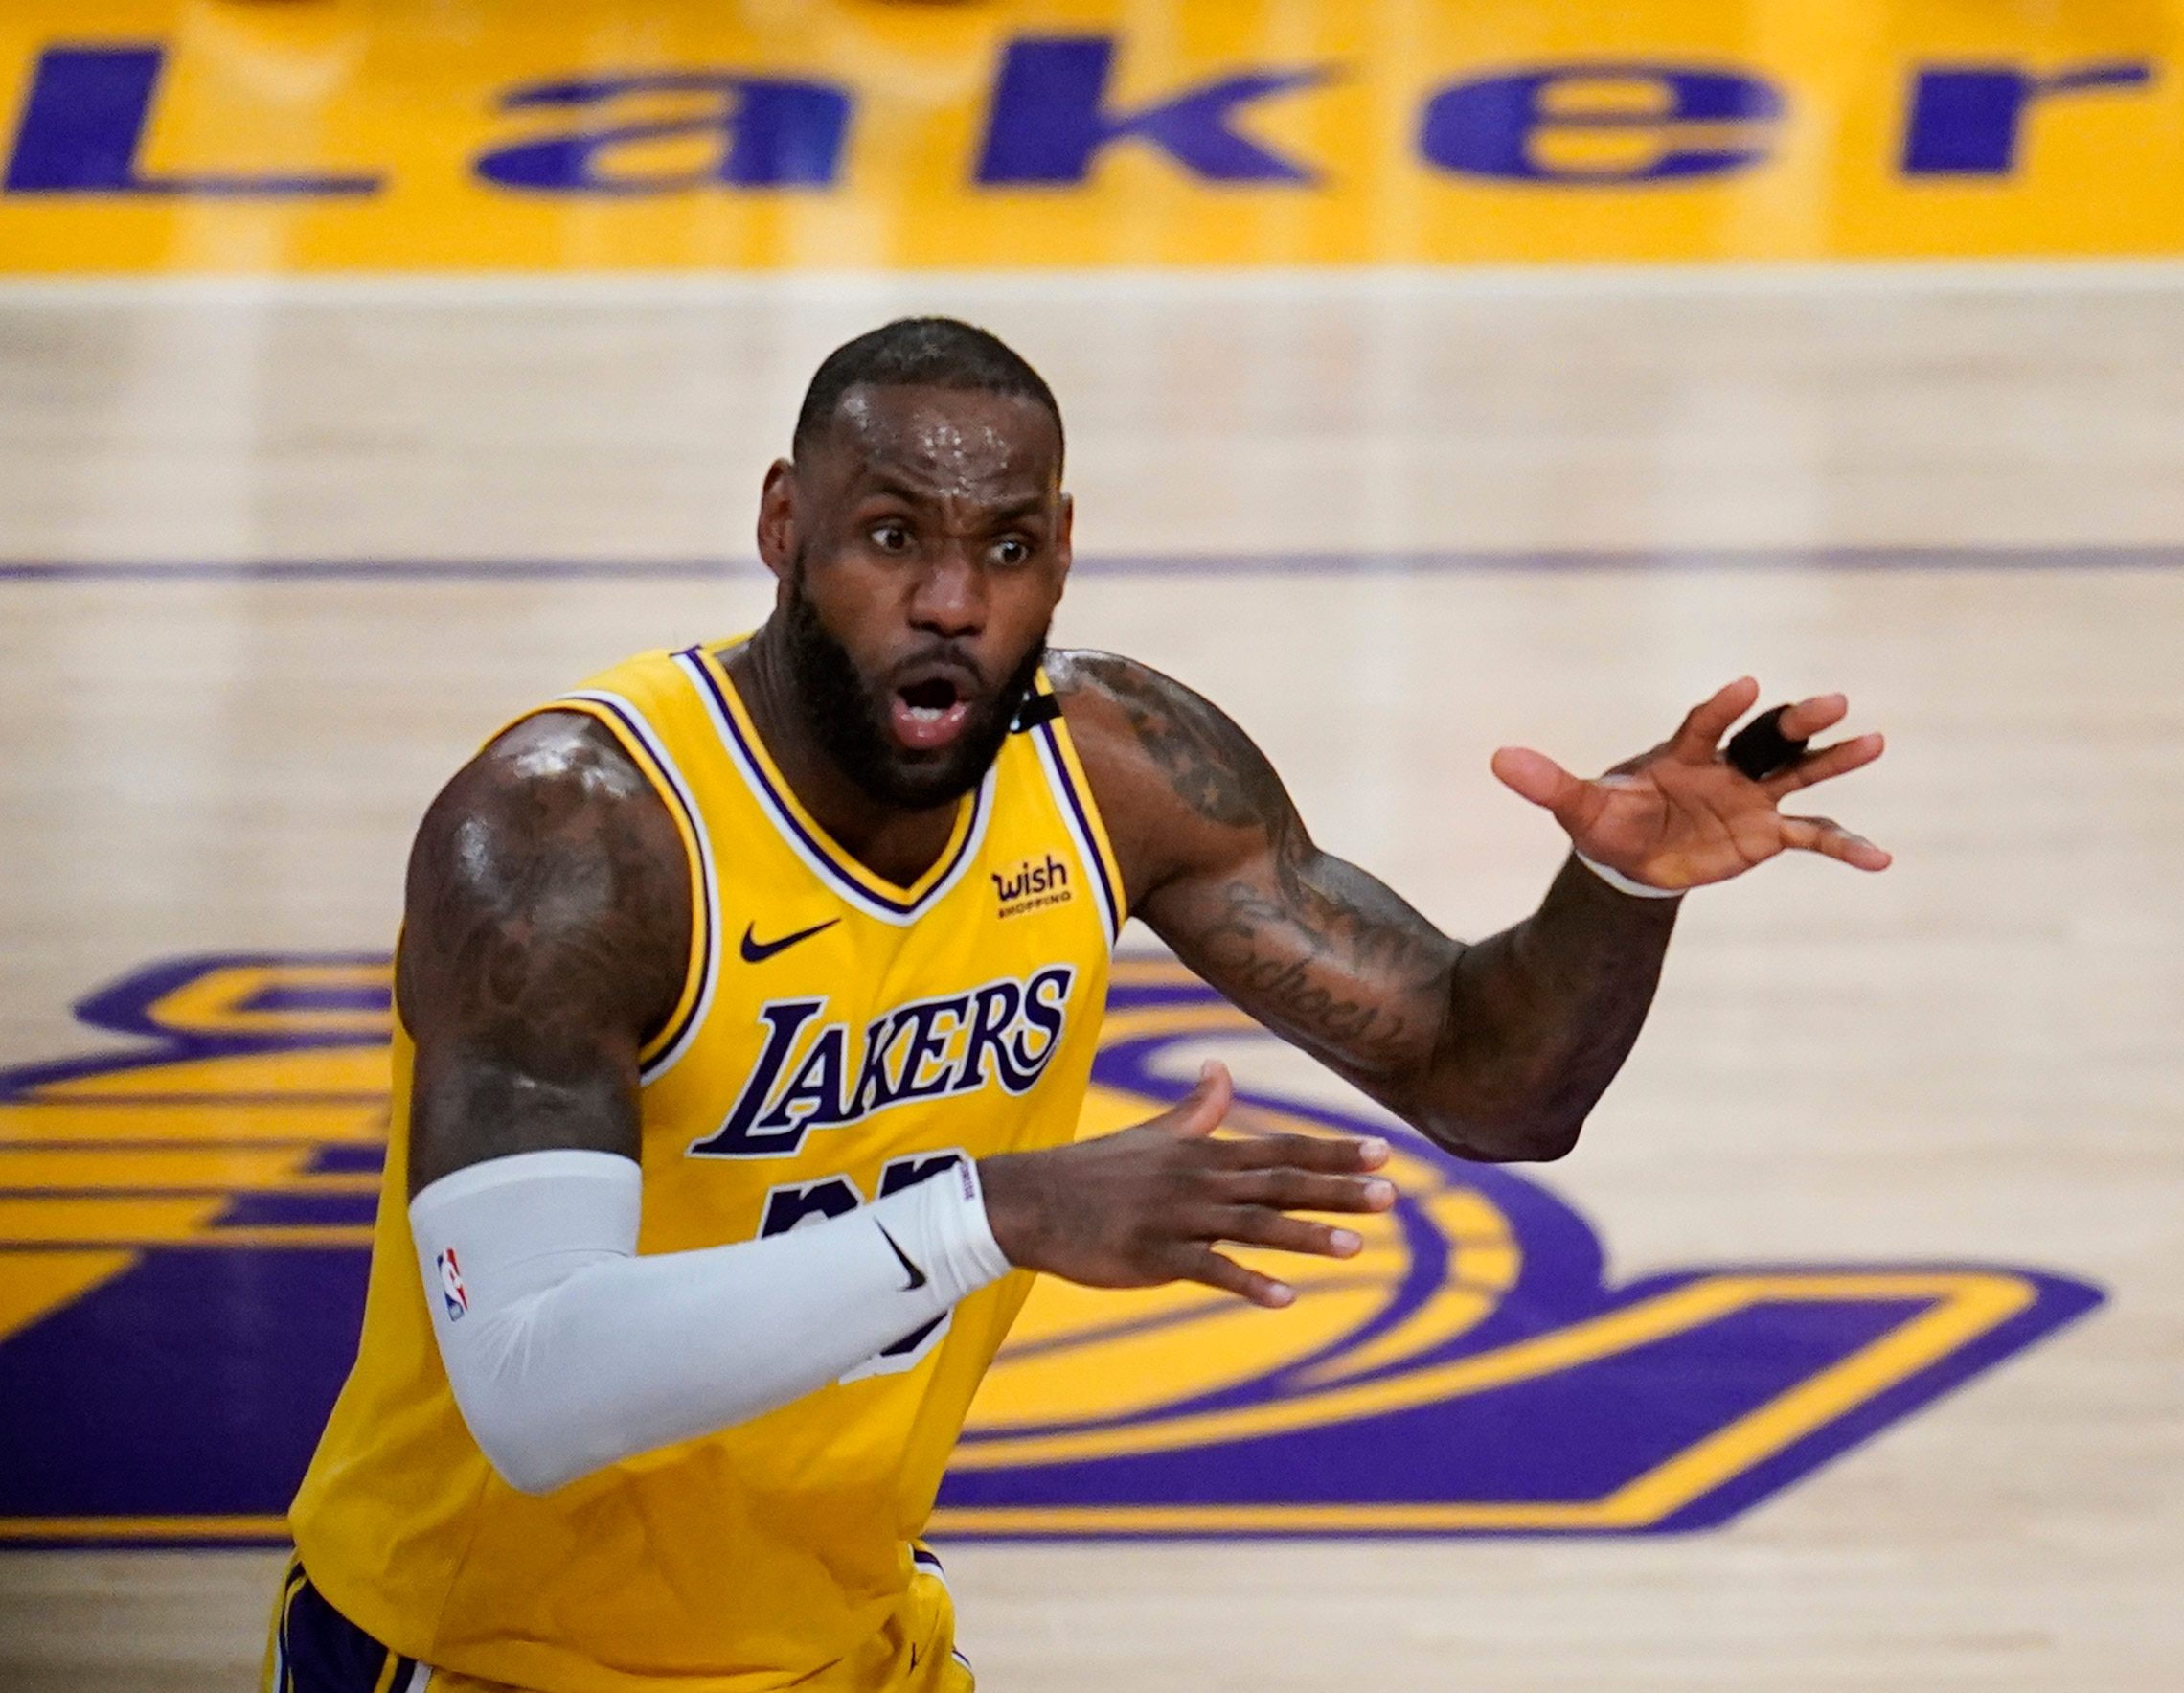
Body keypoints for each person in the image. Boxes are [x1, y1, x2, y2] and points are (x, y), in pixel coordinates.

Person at [273, 317, 1889, 1693]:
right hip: (482, 1648)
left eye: (1006, 547)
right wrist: (992, 1215)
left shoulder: (1115, 769)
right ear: (785, 525)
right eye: (892, 535)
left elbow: (1493, 1084)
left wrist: (1616, 895)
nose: (953, 603)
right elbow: (537, 1388)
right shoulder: (574, 835)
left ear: (1061, 550)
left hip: (853, 1640)